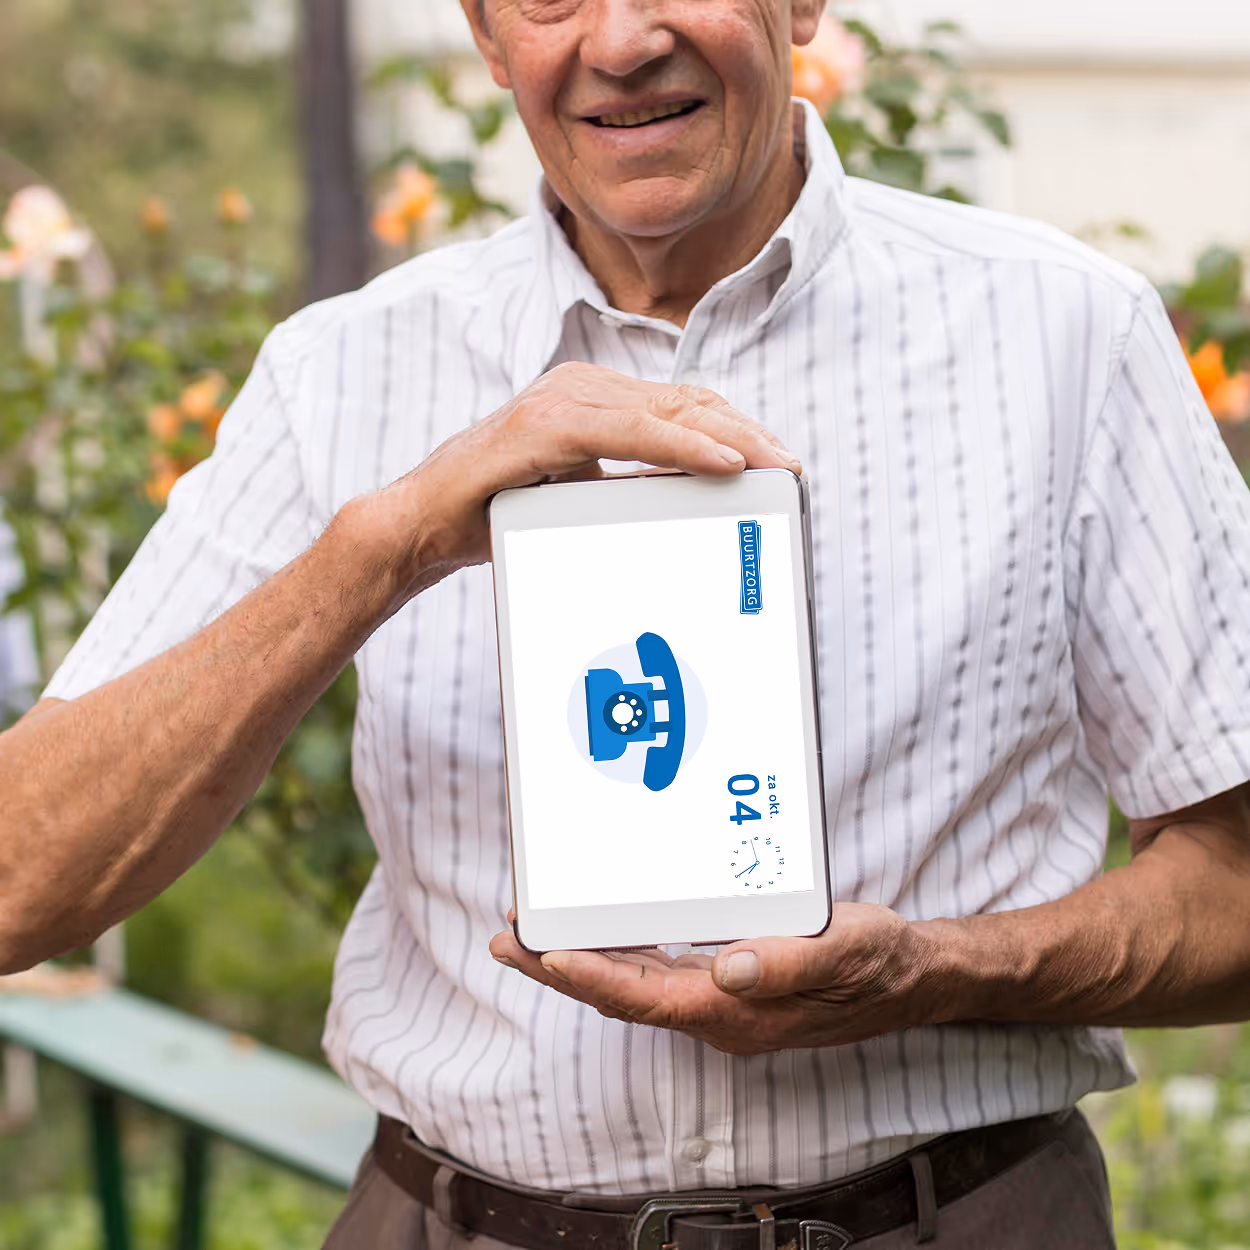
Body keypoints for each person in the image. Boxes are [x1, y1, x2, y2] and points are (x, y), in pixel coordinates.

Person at [3, 0, 1249, 1245]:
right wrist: (383, 547)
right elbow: (19, 884)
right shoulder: (339, 370)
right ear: (487, 38)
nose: (618, 41)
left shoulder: (1066, 331)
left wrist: (934, 970)